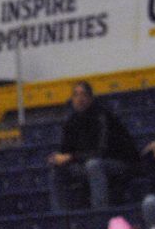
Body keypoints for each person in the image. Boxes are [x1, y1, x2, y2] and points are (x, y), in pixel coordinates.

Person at [48, 81, 139, 210]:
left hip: (118, 163)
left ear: (90, 98)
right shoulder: (71, 122)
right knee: (57, 169)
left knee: (94, 165)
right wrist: (58, 158)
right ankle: (61, 220)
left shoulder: (103, 117)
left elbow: (101, 151)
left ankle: (99, 214)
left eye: (83, 94)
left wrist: (71, 157)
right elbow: (65, 151)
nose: (79, 99)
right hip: (85, 163)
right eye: (75, 95)